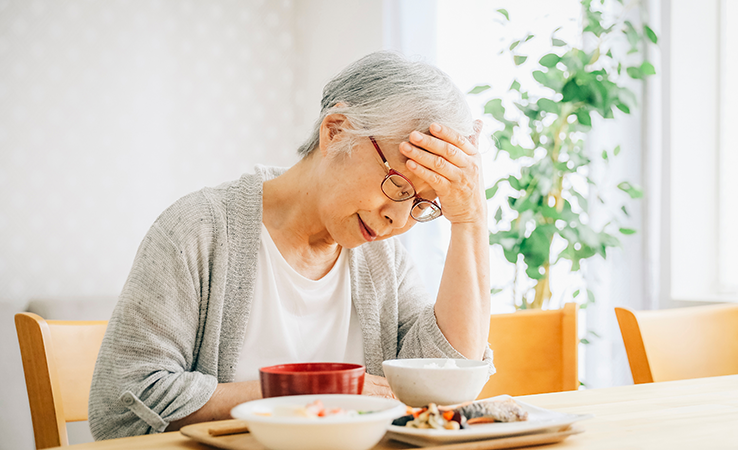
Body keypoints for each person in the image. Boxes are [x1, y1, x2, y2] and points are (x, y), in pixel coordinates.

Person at [88, 51, 493, 440]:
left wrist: (470, 220)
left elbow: (443, 387)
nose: (399, 220)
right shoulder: (198, 230)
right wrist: (311, 393)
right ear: (335, 132)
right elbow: (122, 408)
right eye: (398, 186)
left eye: (422, 204)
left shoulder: (382, 259)